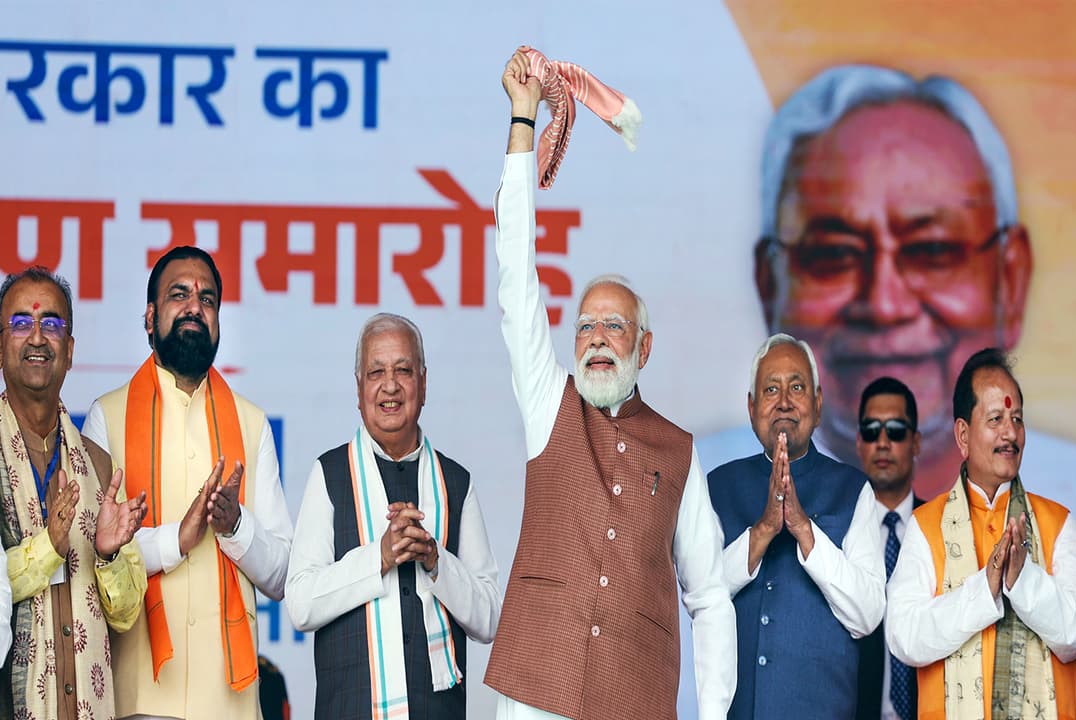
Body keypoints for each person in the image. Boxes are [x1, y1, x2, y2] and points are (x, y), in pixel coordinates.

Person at [696, 65, 1076, 519]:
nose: (884, 305)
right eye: (834, 254)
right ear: (771, 285)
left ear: (1010, 281)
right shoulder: (700, 499)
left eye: (932, 251)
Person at [487, 49, 736, 720]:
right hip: (537, 689)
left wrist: (714, 713)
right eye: (586, 326)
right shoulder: (549, 401)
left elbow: (709, 595)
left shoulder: (678, 452)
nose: (597, 338)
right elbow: (516, 277)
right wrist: (522, 118)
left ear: (643, 347)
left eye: (614, 326)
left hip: (634, 697)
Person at [81, 245, 294, 720]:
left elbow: (282, 575)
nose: (195, 306)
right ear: (149, 316)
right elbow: (92, 558)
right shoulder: (106, 417)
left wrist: (236, 527)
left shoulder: (251, 423)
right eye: (179, 294)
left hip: (230, 703)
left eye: (207, 299)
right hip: (138, 701)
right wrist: (175, 540)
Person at [286, 313, 500, 719]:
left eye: (403, 370)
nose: (390, 385)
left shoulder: (456, 482)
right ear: (359, 388)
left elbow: (488, 618)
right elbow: (300, 604)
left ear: (423, 383)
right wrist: (380, 557)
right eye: (376, 372)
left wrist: (435, 560)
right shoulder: (330, 473)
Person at [885, 348, 1076, 719]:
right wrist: (984, 589)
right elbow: (904, 637)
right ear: (963, 435)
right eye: (996, 418)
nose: (1010, 433)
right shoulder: (925, 526)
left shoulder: (1057, 522)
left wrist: (1022, 580)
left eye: (1017, 419)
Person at [707, 334, 884, 719]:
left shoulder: (854, 490)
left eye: (797, 388)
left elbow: (868, 614)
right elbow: (699, 594)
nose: (784, 401)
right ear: (752, 408)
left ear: (818, 406)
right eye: (771, 389)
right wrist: (762, 531)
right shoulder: (717, 487)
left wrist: (804, 529)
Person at [0, 267, 148, 718]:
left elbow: (126, 614)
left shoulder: (98, 465)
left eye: (52, 324)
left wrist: (108, 555)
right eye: (21, 323)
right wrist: (48, 548)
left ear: (70, 351)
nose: (37, 337)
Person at [854, 376, 925, 720]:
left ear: (916, 442)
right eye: (871, 431)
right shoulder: (837, 536)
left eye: (895, 430)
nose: (882, 442)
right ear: (859, 443)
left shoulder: (946, 530)